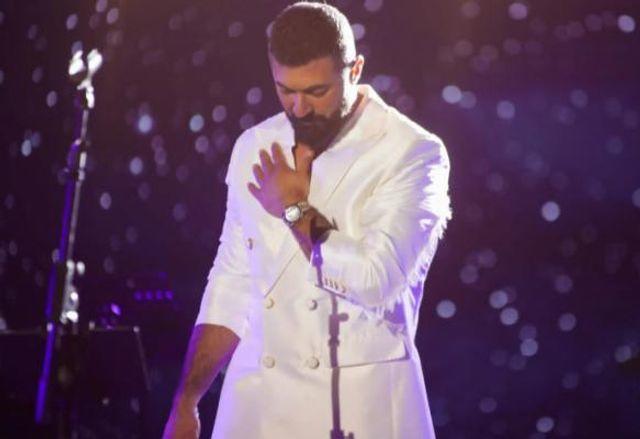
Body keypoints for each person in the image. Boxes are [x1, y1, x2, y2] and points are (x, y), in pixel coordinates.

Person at [163, 2, 451, 438]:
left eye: (316, 91)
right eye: (285, 91)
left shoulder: (411, 152)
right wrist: (187, 400)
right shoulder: (255, 145)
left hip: (359, 408)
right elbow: (233, 279)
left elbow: (377, 280)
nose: (298, 108)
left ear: (354, 70)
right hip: (257, 409)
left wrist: (295, 210)